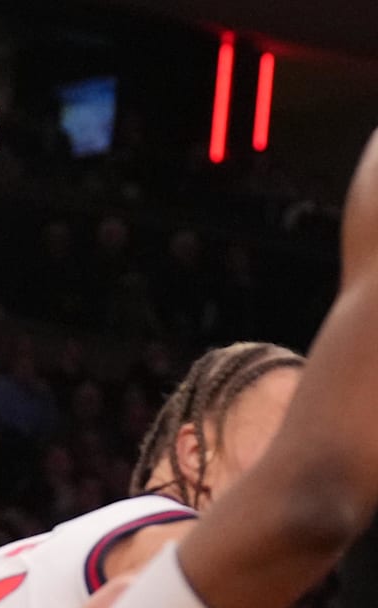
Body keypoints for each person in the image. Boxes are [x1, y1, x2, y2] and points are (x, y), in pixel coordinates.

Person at [101, 129, 378, 608]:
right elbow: (315, 506)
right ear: (193, 454)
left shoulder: (28, 562)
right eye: (288, 431)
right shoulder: (159, 544)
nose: (306, 447)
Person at [0, 341, 303, 607]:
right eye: (290, 438)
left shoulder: (13, 562)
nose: (314, 470)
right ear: (195, 452)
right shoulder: (174, 542)